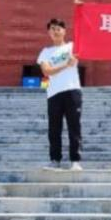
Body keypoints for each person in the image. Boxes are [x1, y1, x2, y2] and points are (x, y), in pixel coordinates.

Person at [37, 18, 83, 170]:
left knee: (74, 126)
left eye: (58, 29)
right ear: (49, 33)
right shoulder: (45, 52)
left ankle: (75, 160)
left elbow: (85, 44)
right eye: (53, 29)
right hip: (54, 93)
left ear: (64, 31)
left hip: (72, 90)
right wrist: (65, 65)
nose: (56, 31)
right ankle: (55, 160)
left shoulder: (72, 47)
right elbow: (47, 71)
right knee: (54, 128)